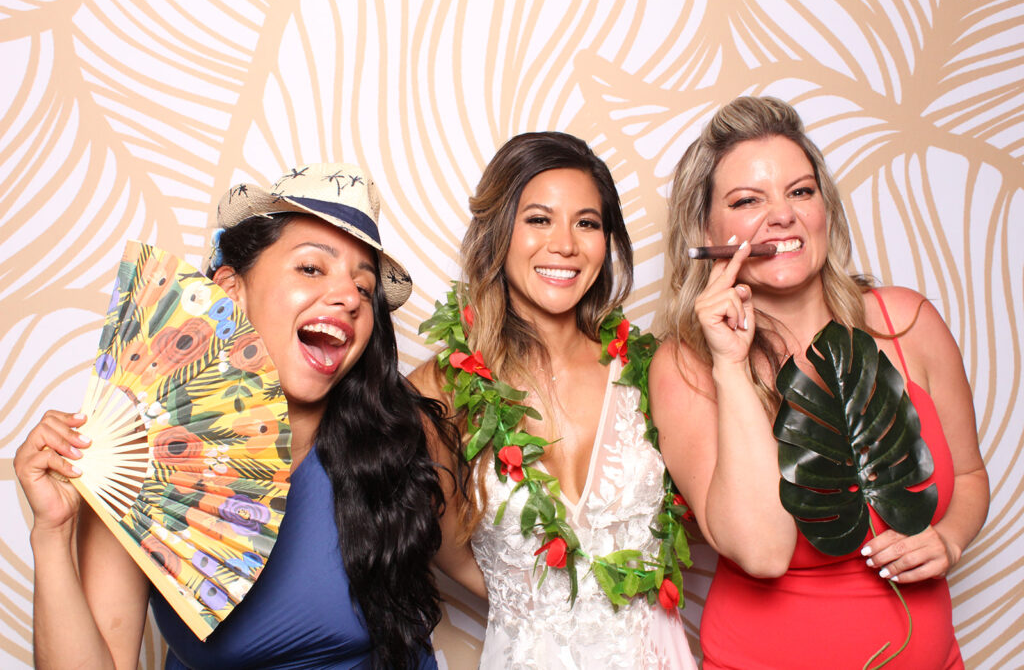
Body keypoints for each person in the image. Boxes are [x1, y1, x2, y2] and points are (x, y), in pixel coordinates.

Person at [14, 163, 459, 669]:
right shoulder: (138, 459)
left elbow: (474, 565)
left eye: (363, 287)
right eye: (312, 268)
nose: (348, 298)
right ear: (230, 290)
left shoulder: (396, 438)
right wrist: (51, 535)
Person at [650, 96, 989, 669]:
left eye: (800, 192)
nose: (782, 215)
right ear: (706, 229)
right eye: (748, 200)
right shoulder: (686, 364)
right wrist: (730, 364)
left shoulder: (908, 321)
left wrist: (949, 538)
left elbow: (972, 475)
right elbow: (761, 553)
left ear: (824, 208)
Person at [411, 132, 697, 669]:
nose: (565, 244)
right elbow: (445, 543)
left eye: (586, 223)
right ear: (499, 232)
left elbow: (713, 508)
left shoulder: (654, 369)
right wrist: (530, 607)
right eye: (539, 219)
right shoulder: (440, 388)